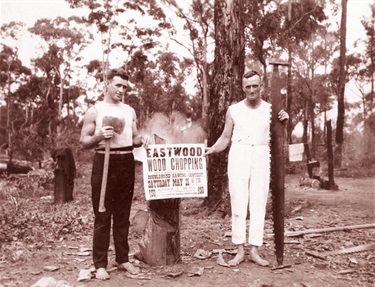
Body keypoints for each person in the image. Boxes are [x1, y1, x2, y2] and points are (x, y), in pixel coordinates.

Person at [205, 70, 288, 267]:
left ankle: (255, 250)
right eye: (248, 86)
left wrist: (284, 121)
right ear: (243, 88)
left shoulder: (270, 109)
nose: (251, 89)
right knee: (239, 202)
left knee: (258, 203)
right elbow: (226, 137)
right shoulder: (234, 110)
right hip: (239, 154)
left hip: (261, 155)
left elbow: (279, 137)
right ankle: (240, 250)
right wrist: (212, 149)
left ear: (261, 86)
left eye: (255, 85)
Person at [80, 68, 151, 280]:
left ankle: (122, 259)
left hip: (126, 161)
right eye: (118, 85)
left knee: (122, 214)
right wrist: (98, 135)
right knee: (102, 213)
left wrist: (144, 139)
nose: (121, 90)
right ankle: (100, 263)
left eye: (124, 87)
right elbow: (83, 141)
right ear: (107, 84)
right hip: (104, 161)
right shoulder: (96, 110)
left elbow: (135, 138)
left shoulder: (129, 111)